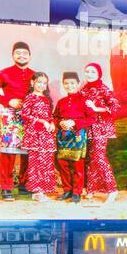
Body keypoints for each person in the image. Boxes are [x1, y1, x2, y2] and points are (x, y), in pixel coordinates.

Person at [0, 40, 35, 201]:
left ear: (30, 56)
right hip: (11, 117)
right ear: (12, 55)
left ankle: (24, 185)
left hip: (30, 117)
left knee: (28, 150)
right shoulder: (3, 73)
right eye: (18, 53)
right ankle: (6, 188)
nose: (21, 55)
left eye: (24, 53)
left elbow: (43, 94)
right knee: (8, 152)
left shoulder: (35, 75)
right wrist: (8, 101)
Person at [80, 62, 120, 205]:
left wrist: (96, 108)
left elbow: (115, 107)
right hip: (88, 129)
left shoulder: (103, 89)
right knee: (90, 158)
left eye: (93, 72)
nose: (89, 74)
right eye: (87, 71)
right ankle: (91, 189)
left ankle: (112, 189)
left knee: (99, 156)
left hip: (102, 128)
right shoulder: (83, 90)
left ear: (98, 74)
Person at [19, 71, 56, 201]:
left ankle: (43, 190)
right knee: (35, 162)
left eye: (44, 83)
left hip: (46, 135)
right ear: (32, 82)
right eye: (39, 82)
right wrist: (42, 121)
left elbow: (49, 116)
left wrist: (51, 123)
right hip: (34, 135)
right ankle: (36, 191)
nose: (41, 85)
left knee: (46, 161)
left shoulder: (46, 99)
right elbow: (24, 115)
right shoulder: (30, 97)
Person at [53, 72, 91, 202]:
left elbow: (91, 118)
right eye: (66, 83)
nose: (69, 86)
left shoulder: (84, 100)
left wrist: (75, 122)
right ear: (63, 84)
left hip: (78, 136)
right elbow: (55, 117)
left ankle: (77, 192)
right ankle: (67, 190)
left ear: (78, 83)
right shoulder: (61, 102)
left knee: (77, 164)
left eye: (72, 83)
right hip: (63, 136)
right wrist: (60, 123)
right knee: (62, 163)